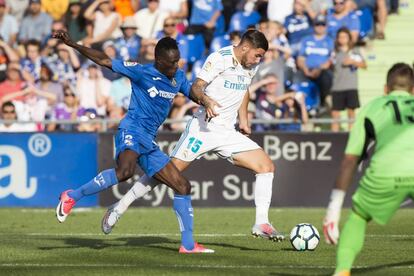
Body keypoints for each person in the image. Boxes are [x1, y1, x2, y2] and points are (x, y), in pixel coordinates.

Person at [102, 30, 286, 243]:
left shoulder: (250, 65)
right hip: (204, 128)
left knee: (266, 167)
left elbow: (244, 90)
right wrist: (207, 102)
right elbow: (197, 86)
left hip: (228, 132)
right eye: (257, 55)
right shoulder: (219, 58)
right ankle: (119, 207)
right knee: (165, 173)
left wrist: (243, 119)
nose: (258, 60)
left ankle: (261, 222)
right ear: (245, 48)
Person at [52, 30, 218, 253]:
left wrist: (206, 101)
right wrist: (72, 44)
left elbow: (192, 92)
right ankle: (72, 196)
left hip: (149, 140)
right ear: (158, 60)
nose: (175, 66)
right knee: (125, 172)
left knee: (183, 186)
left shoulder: (177, 76)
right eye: (171, 62)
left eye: (177, 60)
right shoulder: (141, 71)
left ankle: (188, 245)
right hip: (131, 129)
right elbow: (104, 60)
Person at [323, 63, 414, 276]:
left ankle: (343, 270)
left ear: (385, 89)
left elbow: (350, 160)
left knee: (359, 216)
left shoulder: (372, 107)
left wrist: (333, 210)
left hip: (386, 170)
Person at [330, 27, 366, 132]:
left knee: (351, 113)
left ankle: (351, 135)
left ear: (349, 38)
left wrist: (352, 62)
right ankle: (334, 137)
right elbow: (329, 65)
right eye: (340, 37)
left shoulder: (354, 51)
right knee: (335, 114)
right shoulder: (334, 52)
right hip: (337, 87)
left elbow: (364, 65)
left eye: (344, 36)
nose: (342, 39)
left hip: (351, 86)